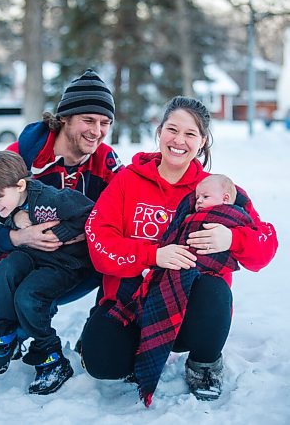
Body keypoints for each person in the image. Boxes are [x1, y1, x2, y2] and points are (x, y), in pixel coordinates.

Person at [81, 96, 278, 404]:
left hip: (189, 310)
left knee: (213, 289)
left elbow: (265, 246)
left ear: (202, 142)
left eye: (190, 134)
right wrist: (153, 255)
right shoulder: (127, 181)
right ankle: (127, 343)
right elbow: (98, 242)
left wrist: (232, 239)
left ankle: (204, 363)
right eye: (172, 129)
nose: (179, 140)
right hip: (132, 302)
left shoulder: (217, 190)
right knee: (102, 364)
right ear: (160, 131)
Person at [0, 69, 123, 352]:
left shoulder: (106, 161)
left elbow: (127, 208)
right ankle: (18, 329)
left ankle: (99, 335)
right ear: (64, 117)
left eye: (105, 122)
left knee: (124, 258)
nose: (97, 131)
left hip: (66, 265)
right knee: (20, 312)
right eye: (88, 120)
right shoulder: (19, 156)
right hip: (7, 268)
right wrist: (19, 235)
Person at [0, 150, 95, 395]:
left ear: (19, 185)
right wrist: (15, 219)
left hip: (64, 264)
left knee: (28, 298)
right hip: (34, 257)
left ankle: (51, 357)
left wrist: (60, 233)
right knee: (4, 271)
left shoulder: (52, 199)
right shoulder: (13, 206)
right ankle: (4, 336)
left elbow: (89, 212)